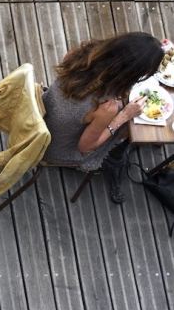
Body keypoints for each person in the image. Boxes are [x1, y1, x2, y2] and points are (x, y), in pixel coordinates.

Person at [43, 33, 164, 203]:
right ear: (131, 74)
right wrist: (122, 117)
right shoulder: (106, 107)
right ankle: (118, 155)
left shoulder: (82, 55)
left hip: (45, 115)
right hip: (55, 148)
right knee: (127, 125)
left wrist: (159, 49)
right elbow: (86, 147)